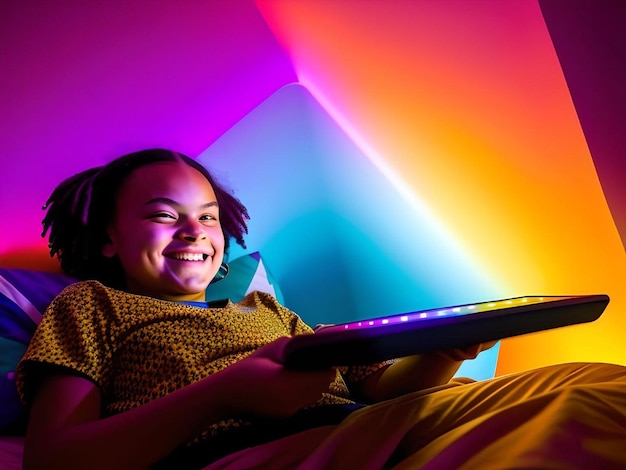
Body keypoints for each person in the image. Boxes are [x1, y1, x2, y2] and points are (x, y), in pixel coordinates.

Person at [16, 149, 626, 469]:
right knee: (574, 415)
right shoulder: (90, 306)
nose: (193, 231)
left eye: (206, 217)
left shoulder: (268, 313)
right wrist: (223, 394)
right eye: (161, 215)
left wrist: (443, 349)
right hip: (249, 452)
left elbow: (381, 391)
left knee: (600, 382)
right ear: (106, 240)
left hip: (362, 425)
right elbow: (56, 459)